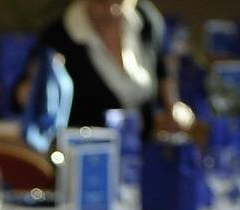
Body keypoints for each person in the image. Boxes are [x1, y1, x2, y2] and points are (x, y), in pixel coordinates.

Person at [29, 0, 164, 134]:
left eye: (119, 2)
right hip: (87, 143)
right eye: (101, 2)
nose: (112, 8)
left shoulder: (145, 18)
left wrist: (169, 110)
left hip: (148, 141)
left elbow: (162, 72)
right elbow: (31, 97)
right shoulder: (56, 39)